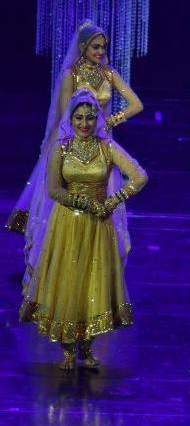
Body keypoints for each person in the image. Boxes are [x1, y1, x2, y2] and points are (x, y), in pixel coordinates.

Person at [20, 89, 147, 370]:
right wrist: (82, 203)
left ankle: (87, 346)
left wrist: (113, 200)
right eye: (79, 117)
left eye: (90, 117)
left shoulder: (107, 147)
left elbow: (139, 176)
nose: (85, 123)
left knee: (92, 280)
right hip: (68, 223)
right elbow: (54, 190)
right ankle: (67, 348)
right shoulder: (60, 149)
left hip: (98, 225)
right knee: (69, 280)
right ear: (71, 118)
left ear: (98, 119)